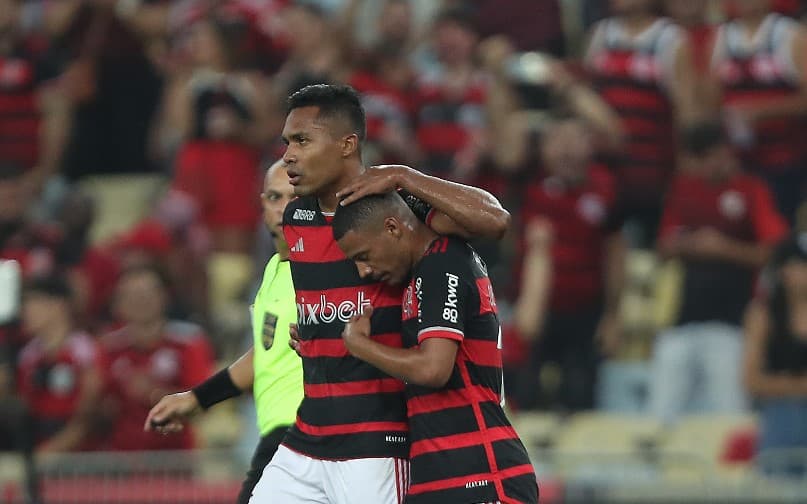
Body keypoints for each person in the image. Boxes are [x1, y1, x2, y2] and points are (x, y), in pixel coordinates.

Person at [249, 84, 510, 504]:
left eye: (302, 140)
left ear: (347, 144)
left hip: (375, 440)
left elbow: (495, 220)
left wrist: (406, 175)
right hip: (308, 435)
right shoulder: (297, 217)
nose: (288, 156)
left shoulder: (399, 206)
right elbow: (330, 306)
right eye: (286, 143)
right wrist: (315, 331)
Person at [332, 192, 538, 503]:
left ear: (392, 228)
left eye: (363, 255)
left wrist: (359, 345)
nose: (364, 270)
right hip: (438, 480)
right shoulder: (424, 272)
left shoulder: (442, 264)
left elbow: (433, 368)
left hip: (482, 478)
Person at [144, 160, 303, 504]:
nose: (283, 208)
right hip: (281, 438)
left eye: (294, 196)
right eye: (274, 197)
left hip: (318, 436)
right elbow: (265, 355)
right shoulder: (275, 271)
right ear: (261, 205)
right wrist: (197, 399)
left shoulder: (331, 269)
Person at [649, 120, 788, 425]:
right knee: (660, 415)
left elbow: (775, 251)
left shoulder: (751, 189)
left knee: (730, 415)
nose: (705, 166)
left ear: (725, 153)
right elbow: (663, 246)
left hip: (732, 323)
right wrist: (691, 245)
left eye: (711, 156)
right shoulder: (685, 188)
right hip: (680, 320)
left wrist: (723, 248)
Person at [101, 264, 215, 451]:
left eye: (147, 294)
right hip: (120, 462)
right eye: (132, 296)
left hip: (175, 458)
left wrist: (153, 393)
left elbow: (204, 400)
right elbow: (98, 409)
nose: (140, 302)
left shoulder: (189, 342)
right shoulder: (108, 348)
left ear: (164, 296)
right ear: (118, 303)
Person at [743, 233, 807, 476]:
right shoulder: (763, 315)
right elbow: (751, 381)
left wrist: (786, 383)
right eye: (801, 264)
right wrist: (800, 386)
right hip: (781, 418)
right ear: (784, 271)